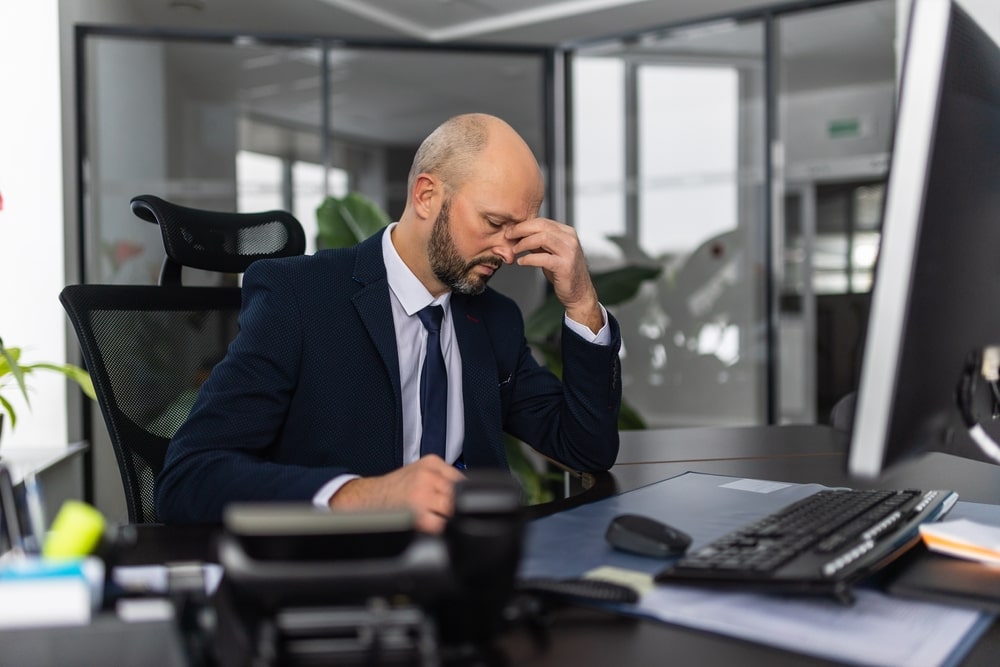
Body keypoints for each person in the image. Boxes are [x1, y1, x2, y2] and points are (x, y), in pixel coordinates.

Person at [155, 113, 622, 531]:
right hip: (354, 578)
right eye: (493, 223)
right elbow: (189, 476)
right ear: (426, 195)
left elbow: (585, 448)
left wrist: (581, 300)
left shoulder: (493, 318)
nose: (506, 251)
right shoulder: (300, 297)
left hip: (474, 573)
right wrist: (357, 495)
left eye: (517, 232)